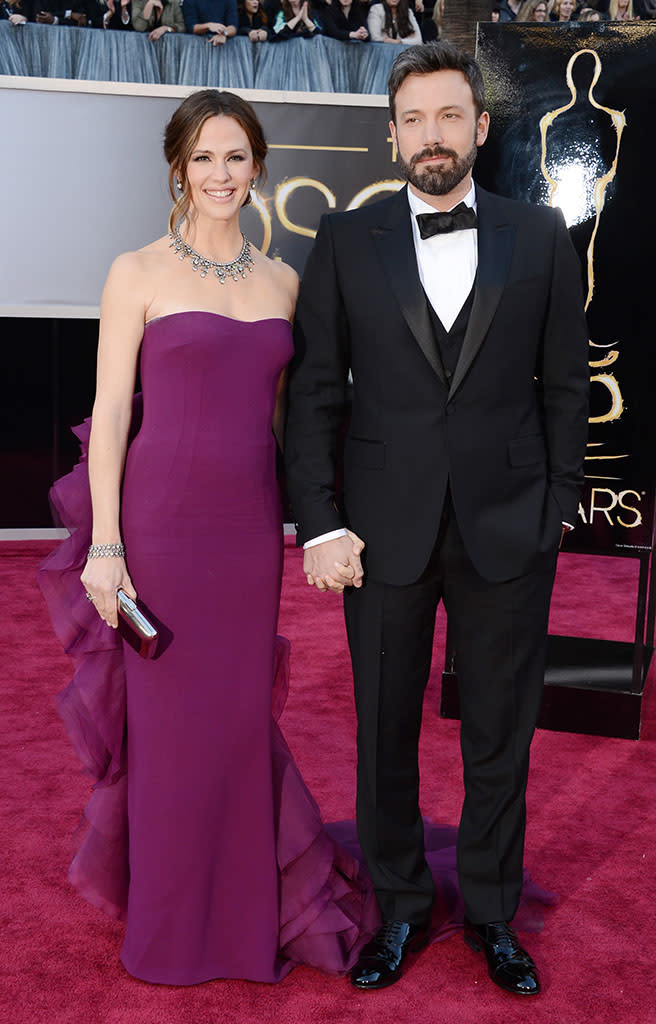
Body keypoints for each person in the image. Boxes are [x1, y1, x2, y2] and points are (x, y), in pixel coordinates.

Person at [38, 88, 381, 985]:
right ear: (178, 170)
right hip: (158, 526)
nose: (220, 174)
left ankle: (240, 919)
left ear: (258, 165)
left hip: (246, 531)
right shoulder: (137, 271)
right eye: (202, 157)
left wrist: (319, 521)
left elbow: (286, 422)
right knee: (166, 733)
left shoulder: (282, 281)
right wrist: (105, 545)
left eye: (235, 156)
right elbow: (111, 413)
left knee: (233, 725)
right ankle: (169, 928)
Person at [285, 41, 589, 995]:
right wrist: (321, 520)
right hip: (381, 529)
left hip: (510, 525)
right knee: (383, 729)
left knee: (501, 730)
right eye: (413, 119)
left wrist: (555, 505)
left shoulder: (539, 236)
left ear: (480, 128)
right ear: (390, 134)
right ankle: (402, 907)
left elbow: (567, 386)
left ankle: (493, 911)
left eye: (449, 116)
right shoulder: (343, 239)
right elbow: (314, 400)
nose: (432, 135)